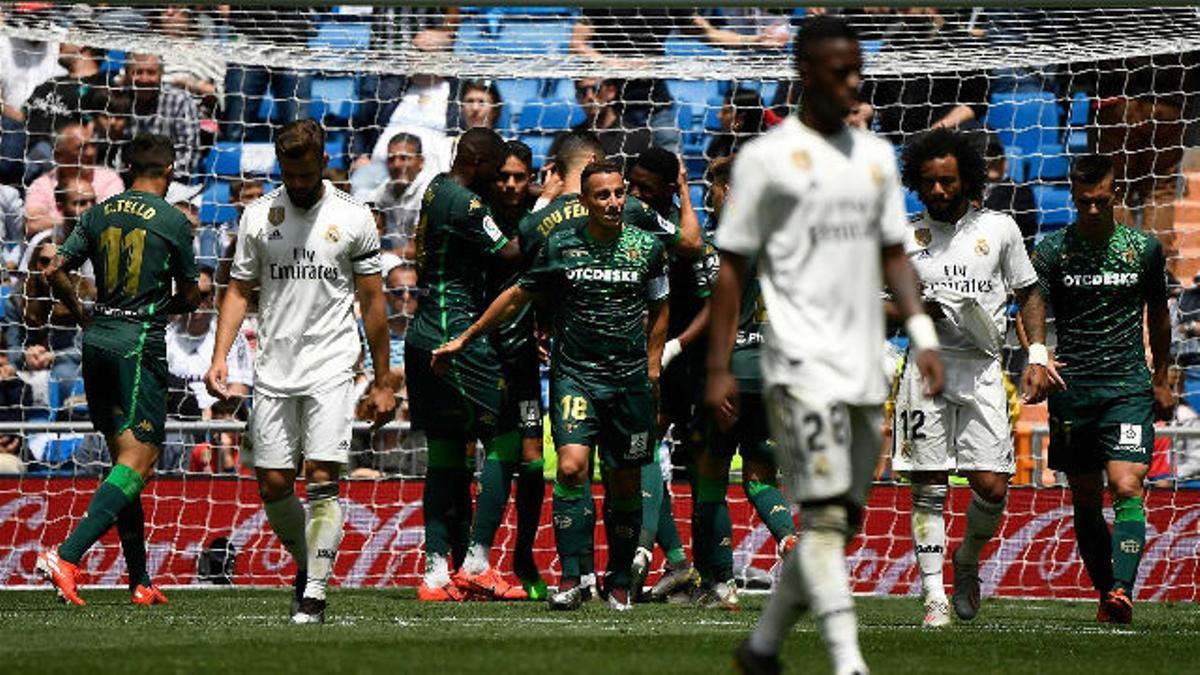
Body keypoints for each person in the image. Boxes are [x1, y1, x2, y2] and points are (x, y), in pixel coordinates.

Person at [704, 17, 943, 675]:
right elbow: (731, 269)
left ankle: (761, 647)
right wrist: (719, 365)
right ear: (805, 72)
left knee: (839, 523)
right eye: (841, 72)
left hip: (866, 360)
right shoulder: (763, 161)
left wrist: (922, 335)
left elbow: (895, 254)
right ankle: (847, 661)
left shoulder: (873, 155)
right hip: (797, 360)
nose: (854, 82)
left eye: (857, 70)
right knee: (823, 515)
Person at [434, 159, 671, 612]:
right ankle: (571, 577)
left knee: (623, 482)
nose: (614, 202)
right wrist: (465, 338)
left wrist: (654, 362)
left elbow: (661, 306)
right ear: (584, 202)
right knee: (570, 467)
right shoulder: (560, 245)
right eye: (602, 195)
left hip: (629, 382)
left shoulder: (648, 248)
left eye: (619, 193)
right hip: (576, 377)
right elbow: (518, 293)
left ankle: (620, 577)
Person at [204, 119, 395, 624]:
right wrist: (220, 355)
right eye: (291, 174)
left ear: (323, 163)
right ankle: (310, 564)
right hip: (274, 367)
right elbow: (240, 290)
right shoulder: (258, 216)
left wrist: (383, 378)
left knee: (323, 477)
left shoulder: (354, 217)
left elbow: (374, 302)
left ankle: (313, 591)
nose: (300, 183)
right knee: (271, 483)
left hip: (333, 363)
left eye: (308, 174)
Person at [894, 128, 1054, 627]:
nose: (938, 191)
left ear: (966, 178)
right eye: (929, 183)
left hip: (984, 370)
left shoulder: (1001, 228)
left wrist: (1038, 353)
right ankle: (934, 596)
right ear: (916, 184)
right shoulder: (904, 234)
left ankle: (967, 560)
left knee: (992, 486)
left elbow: (1027, 292)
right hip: (926, 368)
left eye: (947, 181)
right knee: (929, 483)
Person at [35, 133, 202, 607]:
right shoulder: (173, 219)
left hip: (97, 341)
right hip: (137, 347)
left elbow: (54, 270)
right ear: (168, 171)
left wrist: (85, 315)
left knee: (124, 463)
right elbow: (190, 296)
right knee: (141, 461)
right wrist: (172, 303)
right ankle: (66, 555)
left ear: (127, 170)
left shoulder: (98, 211)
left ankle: (140, 579)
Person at [1033, 154, 1174, 625]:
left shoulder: (1143, 250)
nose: (1092, 210)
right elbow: (1028, 304)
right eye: (1083, 202)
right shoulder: (1053, 251)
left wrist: (1161, 376)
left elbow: (1158, 312)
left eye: (1100, 201)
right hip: (1073, 390)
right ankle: (1105, 593)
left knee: (1127, 484)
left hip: (1127, 387)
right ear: (1072, 197)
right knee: (1087, 496)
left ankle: (1123, 587)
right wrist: (1038, 354)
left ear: (1115, 193)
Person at [401, 127, 522, 602]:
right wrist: (546, 213)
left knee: (447, 452)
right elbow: (511, 253)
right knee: (506, 439)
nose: (499, 178)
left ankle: (435, 574)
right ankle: (476, 563)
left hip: (422, 330)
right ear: (475, 159)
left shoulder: (435, 187)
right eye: (495, 167)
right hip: (457, 335)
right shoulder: (468, 205)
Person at [690, 155, 797, 611]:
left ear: (728, 193)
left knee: (710, 475)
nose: (707, 198)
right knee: (758, 475)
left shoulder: (721, 248)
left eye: (711, 190)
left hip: (731, 371)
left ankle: (722, 587)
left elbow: (716, 312)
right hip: (774, 374)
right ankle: (790, 540)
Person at [455, 140, 548, 599]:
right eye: (503, 176)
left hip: (524, 352)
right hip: (482, 351)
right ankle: (464, 557)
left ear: (531, 176)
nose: (511, 184)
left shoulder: (540, 209)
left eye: (519, 176)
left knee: (532, 455)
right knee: (478, 449)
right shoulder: (481, 215)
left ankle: (524, 554)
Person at [624, 147, 706, 601]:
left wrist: (684, 196)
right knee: (642, 451)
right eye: (631, 184)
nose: (635, 194)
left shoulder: (677, 231)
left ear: (668, 190)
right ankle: (676, 562)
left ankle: (653, 554)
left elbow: (696, 251)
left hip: (678, 357)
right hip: (651, 352)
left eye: (645, 188)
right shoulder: (632, 219)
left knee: (648, 450)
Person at [20, 43, 111, 182]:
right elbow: (20, 117)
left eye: (68, 38)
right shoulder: (50, 84)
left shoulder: (102, 88)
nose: (60, 43)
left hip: (60, 166)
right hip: (22, 157)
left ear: (83, 44)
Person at [23, 120, 124, 235]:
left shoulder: (109, 180)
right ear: (58, 156)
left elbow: (113, 221)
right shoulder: (42, 185)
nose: (91, 153)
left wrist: (60, 221)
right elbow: (31, 224)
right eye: (81, 148)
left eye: (93, 146)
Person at [125, 52, 201, 178]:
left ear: (161, 75)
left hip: (171, 180)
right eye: (138, 72)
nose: (144, 79)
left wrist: (158, 177)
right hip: (128, 179)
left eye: (151, 72)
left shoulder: (179, 100)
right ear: (128, 75)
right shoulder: (121, 99)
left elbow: (190, 153)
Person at [365, 132, 430, 251]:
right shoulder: (386, 188)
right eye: (391, 159)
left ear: (420, 161)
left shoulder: (429, 192)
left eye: (404, 158)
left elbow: (418, 249)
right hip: (398, 259)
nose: (396, 164)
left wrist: (382, 257)